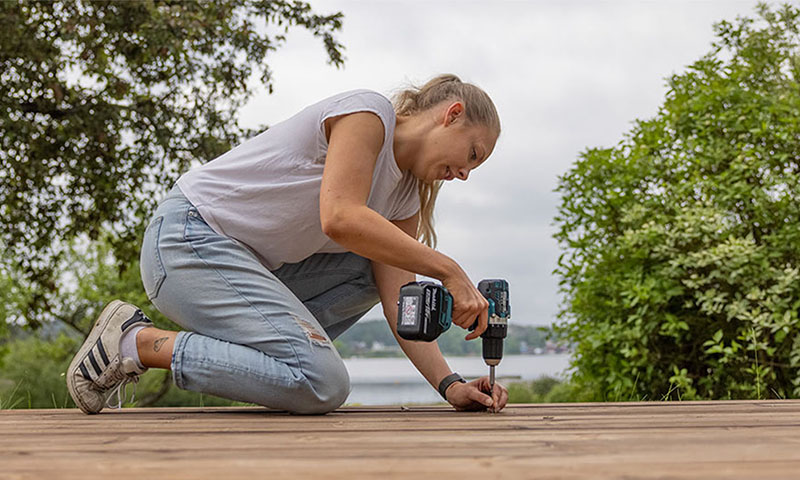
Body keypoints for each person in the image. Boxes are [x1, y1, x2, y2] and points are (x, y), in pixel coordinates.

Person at [66, 74, 508, 414]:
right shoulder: (368, 114)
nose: (464, 174)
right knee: (324, 383)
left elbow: (400, 303)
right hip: (188, 241)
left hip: (250, 269)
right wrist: (448, 270)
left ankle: (272, 348)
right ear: (451, 115)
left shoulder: (405, 196)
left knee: (374, 267)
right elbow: (340, 217)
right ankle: (134, 343)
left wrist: (449, 385)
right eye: (472, 154)